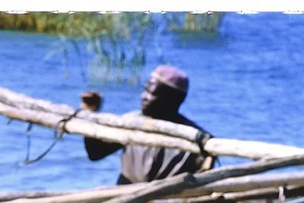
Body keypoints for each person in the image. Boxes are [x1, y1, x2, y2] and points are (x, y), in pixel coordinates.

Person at [81, 63, 209, 186]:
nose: (144, 96)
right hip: (125, 197)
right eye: (145, 90)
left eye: (151, 93)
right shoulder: (130, 122)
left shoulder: (194, 137)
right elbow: (95, 153)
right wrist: (90, 112)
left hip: (167, 201)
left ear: (172, 100)